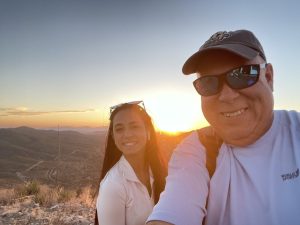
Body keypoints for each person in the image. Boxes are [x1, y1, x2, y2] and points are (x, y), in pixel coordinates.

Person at [147, 30, 300, 225]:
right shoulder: (197, 151)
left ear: (268, 77)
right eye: (208, 82)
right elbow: (173, 210)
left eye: (242, 74)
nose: (227, 96)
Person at [95, 101, 166, 225]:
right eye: (119, 129)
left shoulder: (157, 170)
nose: (127, 134)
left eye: (134, 126)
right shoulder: (113, 185)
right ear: (113, 136)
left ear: (148, 130)